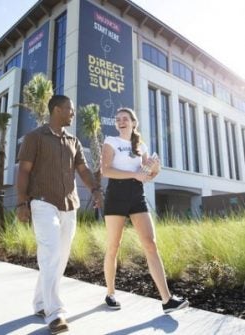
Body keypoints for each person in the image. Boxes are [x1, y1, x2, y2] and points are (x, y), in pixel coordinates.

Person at [16, 95, 102, 334]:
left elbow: (82, 169)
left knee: (59, 256)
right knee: (51, 251)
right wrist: (22, 203)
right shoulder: (34, 138)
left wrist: (95, 189)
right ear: (56, 110)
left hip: (69, 205)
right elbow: (23, 171)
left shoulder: (73, 141)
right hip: (42, 202)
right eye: (69, 109)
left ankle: (40, 302)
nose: (72, 113)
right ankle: (55, 313)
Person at [101, 107, 189, 313]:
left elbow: (147, 176)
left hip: (137, 195)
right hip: (116, 195)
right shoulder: (111, 142)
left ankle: (167, 300)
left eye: (125, 119)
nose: (121, 121)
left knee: (150, 244)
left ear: (134, 122)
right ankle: (110, 293)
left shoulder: (141, 146)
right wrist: (135, 175)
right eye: (118, 119)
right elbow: (106, 170)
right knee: (114, 246)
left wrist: (154, 168)